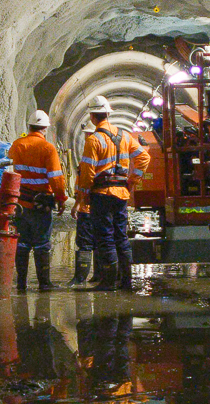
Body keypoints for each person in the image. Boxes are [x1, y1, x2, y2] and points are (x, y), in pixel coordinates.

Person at [76, 96, 150, 291]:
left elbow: (87, 171)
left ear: (92, 116)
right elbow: (144, 156)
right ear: (108, 113)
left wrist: (83, 195)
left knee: (105, 237)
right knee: (121, 236)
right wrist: (133, 180)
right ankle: (126, 281)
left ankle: (108, 282)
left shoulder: (93, 140)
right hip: (121, 194)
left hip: (101, 194)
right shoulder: (125, 136)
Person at [8, 110, 67, 292]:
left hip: (20, 203)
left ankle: (21, 284)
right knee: (42, 243)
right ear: (45, 129)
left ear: (29, 126)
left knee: (22, 243)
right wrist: (61, 198)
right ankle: (44, 283)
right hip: (41, 204)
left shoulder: (17, 145)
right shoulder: (48, 148)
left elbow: (10, 168)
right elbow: (56, 178)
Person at [68, 123, 97, 286]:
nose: (86, 138)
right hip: (100, 206)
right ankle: (99, 277)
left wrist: (77, 203)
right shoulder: (106, 150)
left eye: (88, 134)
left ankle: (80, 279)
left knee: (85, 242)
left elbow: (85, 181)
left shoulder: (91, 153)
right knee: (101, 241)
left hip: (88, 206)